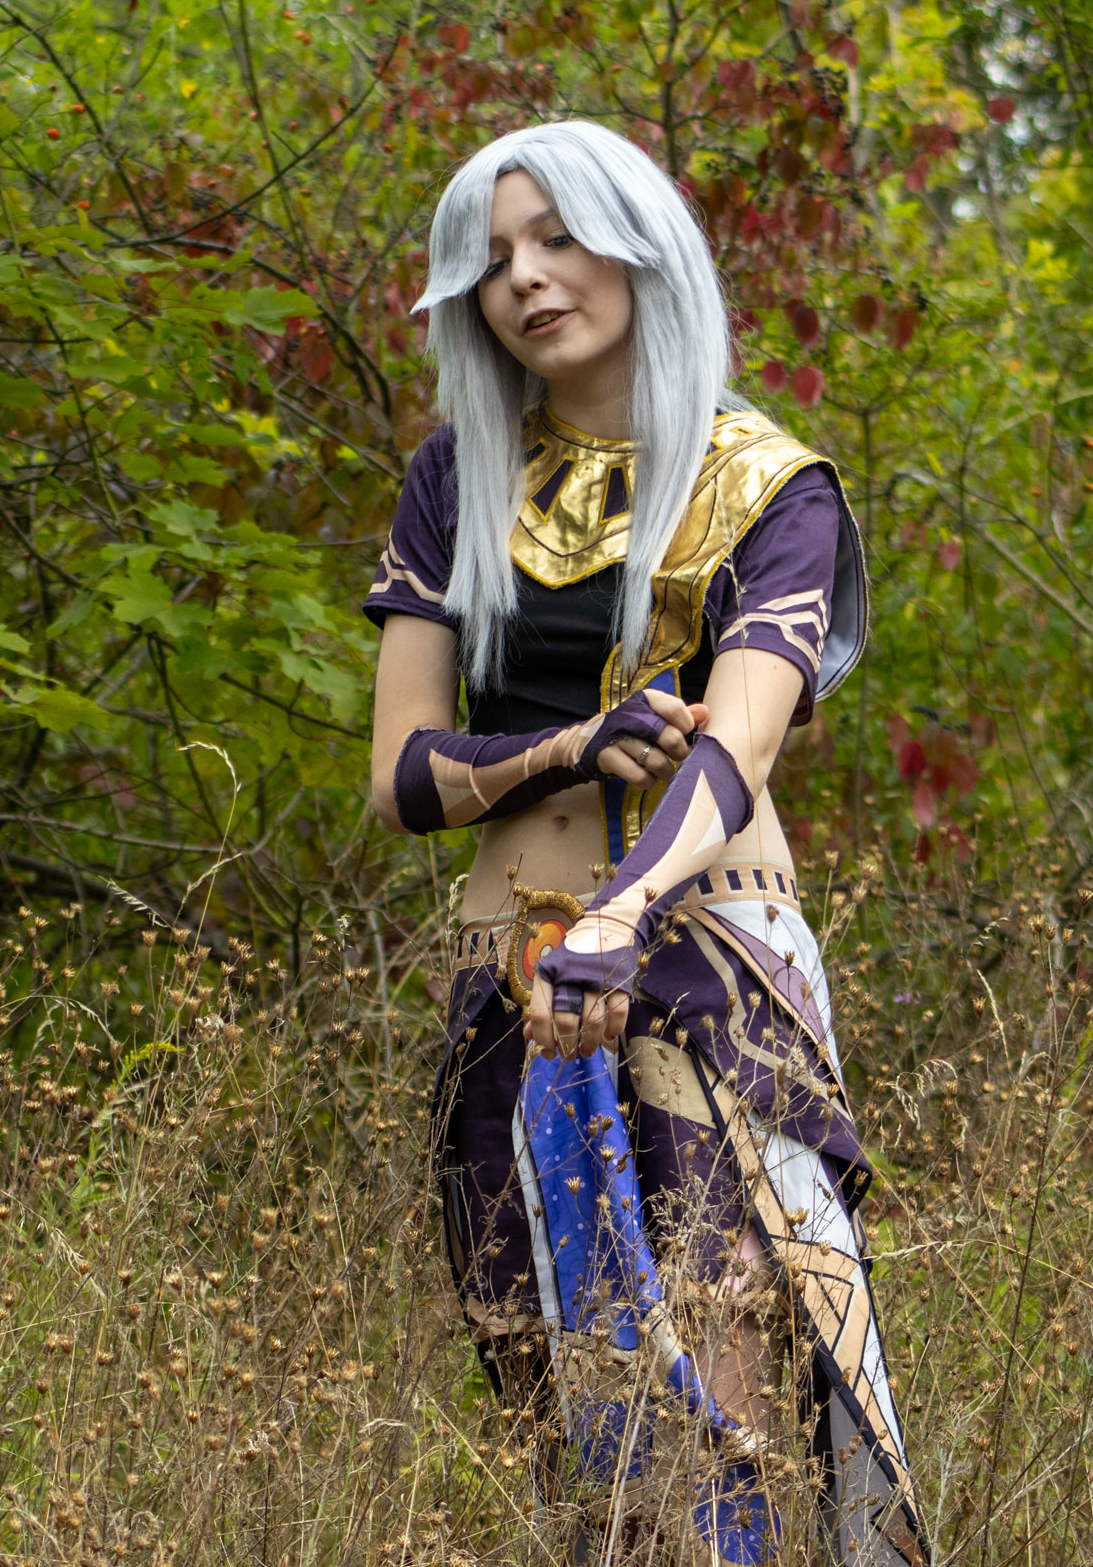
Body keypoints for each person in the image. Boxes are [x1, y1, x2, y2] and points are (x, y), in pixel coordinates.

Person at [362, 120, 928, 1566]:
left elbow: (739, 743)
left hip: (704, 960)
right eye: (493, 258)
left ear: (641, 248)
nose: (526, 277)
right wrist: (565, 746)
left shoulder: (770, 482)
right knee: (557, 1376)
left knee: (720, 1348)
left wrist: (622, 914)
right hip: (510, 972)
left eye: (557, 237)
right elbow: (404, 777)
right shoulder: (455, 479)